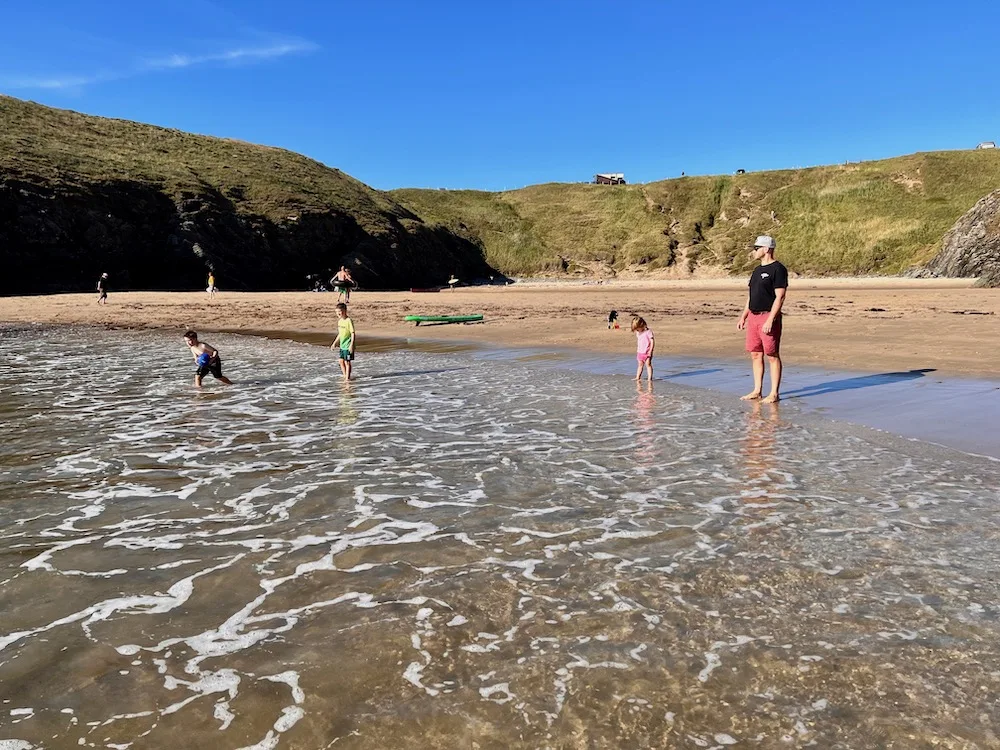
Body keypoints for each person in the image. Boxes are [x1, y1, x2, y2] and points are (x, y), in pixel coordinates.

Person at [737, 235, 788, 403]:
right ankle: (757, 390)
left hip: (768, 316)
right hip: (753, 316)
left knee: (772, 354)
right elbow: (751, 296)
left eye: (756, 248)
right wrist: (744, 316)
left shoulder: (778, 269)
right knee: (755, 354)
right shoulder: (756, 271)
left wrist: (770, 320)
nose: (754, 251)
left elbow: (779, 297)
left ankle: (774, 393)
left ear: (766, 249)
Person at [330, 302, 356, 380]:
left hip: (348, 345)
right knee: (341, 361)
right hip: (342, 345)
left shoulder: (349, 321)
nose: (338, 313)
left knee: (347, 362)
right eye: (336, 312)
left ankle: (347, 379)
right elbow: (340, 334)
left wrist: (352, 345)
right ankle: (345, 376)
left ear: (345, 311)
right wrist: (334, 343)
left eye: (340, 311)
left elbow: (353, 333)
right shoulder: (340, 321)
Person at [632, 316, 654, 382]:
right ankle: (637, 377)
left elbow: (652, 341)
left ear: (642, 325)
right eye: (636, 329)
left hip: (647, 352)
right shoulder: (638, 333)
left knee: (648, 365)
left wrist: (651, 350)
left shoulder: (648, 332)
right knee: (640, 365)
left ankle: (649, 378)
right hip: (640, 352)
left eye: (637, 329)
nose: (637, 330)